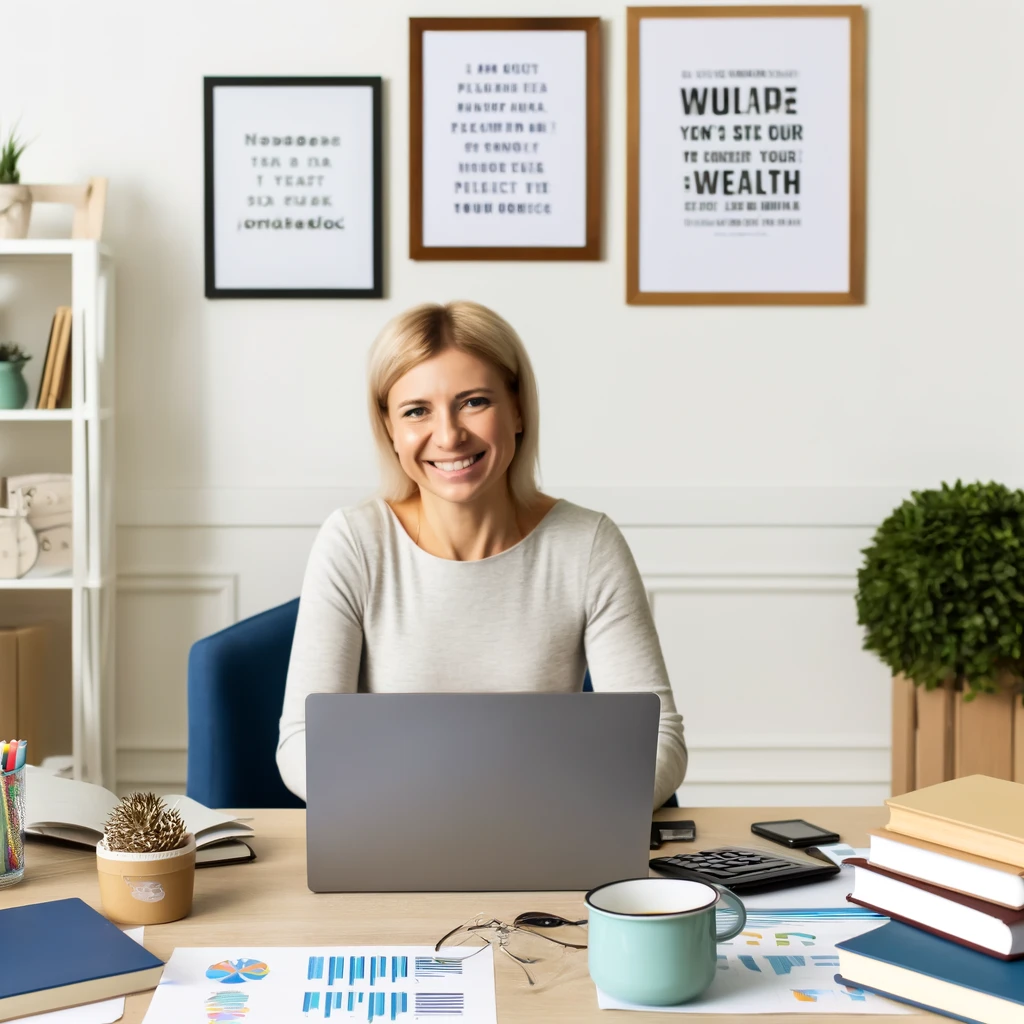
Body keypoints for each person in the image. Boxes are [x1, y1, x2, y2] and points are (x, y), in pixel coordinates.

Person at [276, 300, 687, 807]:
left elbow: (659, 738)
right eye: (416, 411)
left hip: (550, 831)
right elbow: (301, 743)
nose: (449, 436)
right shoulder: (354, 541)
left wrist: (571, 806)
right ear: (389, 428)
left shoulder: (587, 543)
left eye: (474, 402)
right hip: (398, 833)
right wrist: (414, 805)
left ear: (517, 409)